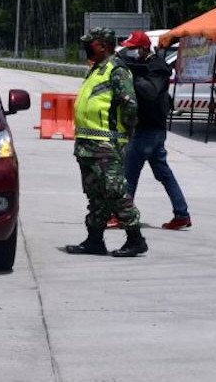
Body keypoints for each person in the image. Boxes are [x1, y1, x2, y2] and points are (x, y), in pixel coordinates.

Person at [65, 27, 147, 258]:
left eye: (89, 43)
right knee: (96, 194)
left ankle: (135, 239)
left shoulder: (117, 69)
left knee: (115, 192)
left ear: (102, 44)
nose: (86, 47)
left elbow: (129, 104)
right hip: (88, 144)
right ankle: (94, 240)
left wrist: (126, 134)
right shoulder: (96, 70)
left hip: (106, 144)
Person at [119, 30, 191, 230]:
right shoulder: (147, 65)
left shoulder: (157, 67)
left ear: (143, 48)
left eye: (132, 49)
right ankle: (181, 213)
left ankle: (122, 215)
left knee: (129, 174)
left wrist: (132, 76)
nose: (129, 52)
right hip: (151, 128)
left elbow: (150, 92)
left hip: (148, 129)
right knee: (164, 174)